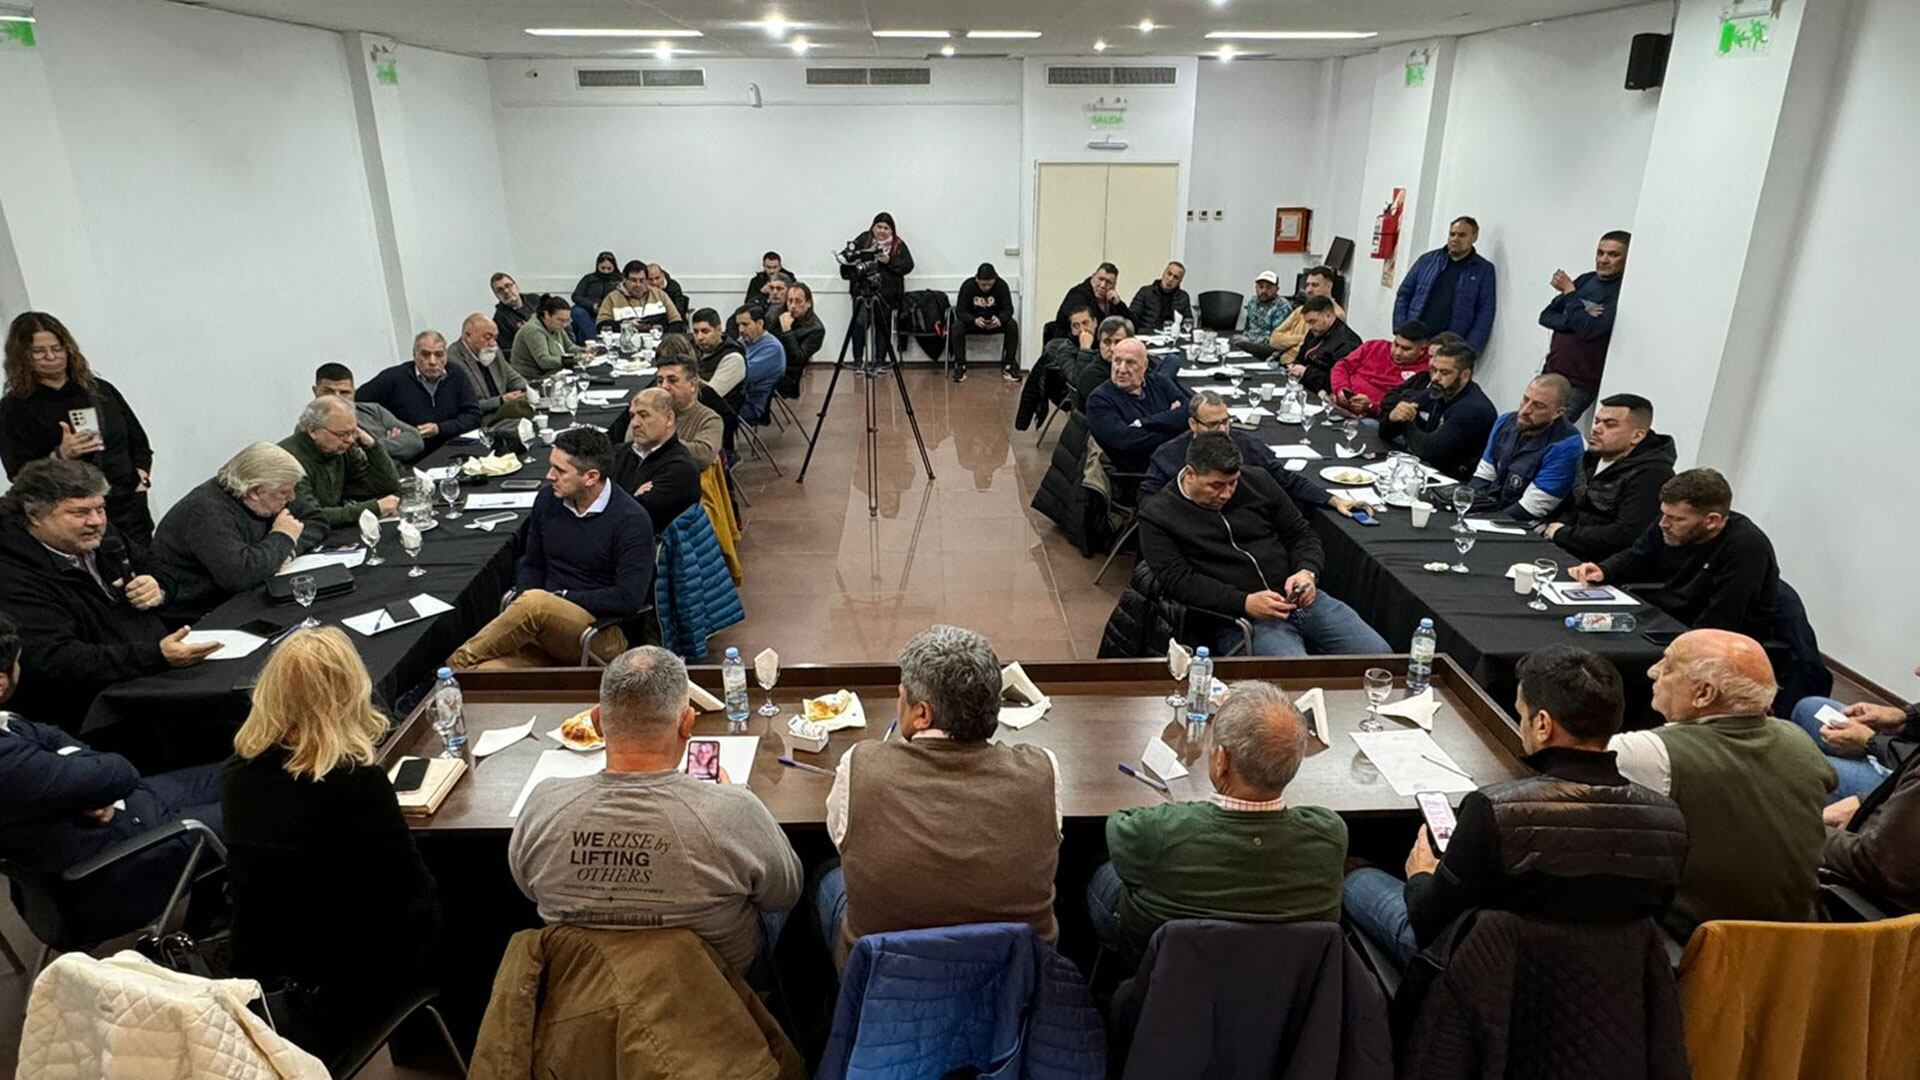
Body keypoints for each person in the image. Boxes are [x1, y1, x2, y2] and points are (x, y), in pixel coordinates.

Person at [1344, 646, 1688, 969]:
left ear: (1542, 724)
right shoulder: (1670, 820)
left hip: (1483, 972)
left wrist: (1420, 875)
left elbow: (1427, 920)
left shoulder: (1495, 810)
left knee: (1350, 869)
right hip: (1605, 983)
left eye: (1520, 714)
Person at [510, 646, 802, 975]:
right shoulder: (734, 810)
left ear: (597, 722)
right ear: (687, 723)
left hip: (584, 994)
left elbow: (527, 888)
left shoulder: (541, 806)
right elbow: (786, 894)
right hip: (714, 992)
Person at [222, 628, 442, 1060]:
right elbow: (410, 900)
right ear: (350, 693)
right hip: (349, 983)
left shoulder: (236, 773)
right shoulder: (356, 784)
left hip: (265, 974)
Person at [818, 625, 1063, 967]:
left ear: (922, 714)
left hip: (886, 984)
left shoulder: (859, 765)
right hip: (1014, 985)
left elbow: (843, 840)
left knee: (830, 880)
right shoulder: (1043, 770)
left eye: (901, 696)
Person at [0, 611, 226, 942]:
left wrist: (82, 785)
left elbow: (55, 737)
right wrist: (87, 780)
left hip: (129, 811)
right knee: (263, 803)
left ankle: (211, 913)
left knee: (239, 772)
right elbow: (118, 771)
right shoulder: (7, 760)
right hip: (111, 868)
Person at [1088, 681, 1346, 961]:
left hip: (1165, 979)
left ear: (1221, 760)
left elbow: (1117, 827)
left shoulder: (1159, 831)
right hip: (1283, 986)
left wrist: (1186, 813)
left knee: (1105, 872)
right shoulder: (1330, 834)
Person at [1608, 630, 1833, 937]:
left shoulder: (1651, 753)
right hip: (1799, 941)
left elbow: (1560, 757)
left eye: (1669, 665)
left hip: (1701, 943)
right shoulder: (1799, 739)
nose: (1653, 671)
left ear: (1704, 693)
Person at [0, 459, 218, 732]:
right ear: (34, 516)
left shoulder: (101, 535)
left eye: (101, 508)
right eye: (79, 512)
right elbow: (56, 659)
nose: (96, 521)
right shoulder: (12, 576)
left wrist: (158, 586)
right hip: (95, 710)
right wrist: (155, 655)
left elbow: (159, 567)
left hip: (150, 669)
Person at [1139, 434, 1389, 657]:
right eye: (1216, 485)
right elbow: (1180, 582)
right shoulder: (1158, 515)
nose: (1226, 493)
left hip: (1299, 598)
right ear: (1191, 474)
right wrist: (1244, 602)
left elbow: (1301, 533)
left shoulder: (1257, 481)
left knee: (1381, 657)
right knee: (1293, 681)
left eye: (1233, 482)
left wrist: (1306, 571)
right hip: (1239, 617)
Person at [448, 429, 654, 669]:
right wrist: (528, 602)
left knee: (536, 604)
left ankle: (450, 668)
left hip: (599, 633)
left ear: (591, 477)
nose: (549, 476)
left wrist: (560, 599)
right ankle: (451, 680)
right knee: (482, 673)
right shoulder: (548, 501)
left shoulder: (631, 520)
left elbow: (628, 599)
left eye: (560, 470)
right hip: (542, 627)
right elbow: (533, 563)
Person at [1569, 468, 1779, 642]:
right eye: (1664, 514)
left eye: (1677, 519)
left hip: (1711, 642)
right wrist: (1604, 570)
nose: (1663, 524)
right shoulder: (1668, 522)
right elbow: (1638, 555)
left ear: (1712, 521)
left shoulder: (1746, 547)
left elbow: (1722, 621)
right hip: (1669, 618)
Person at [1, 312, 156, 545]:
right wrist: (60, 456)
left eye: (57, 348)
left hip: (128, 502)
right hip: (72, 514)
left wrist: (141, 479)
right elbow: (18, 473)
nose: (51, 357)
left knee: (147, 570)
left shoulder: (100, 390)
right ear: (23, 357)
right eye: (39, 352)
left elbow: (139, 443)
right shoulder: (14, 408)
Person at [150, 443, 327, 620]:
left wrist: (288, 550)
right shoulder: (206, 512)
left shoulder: (270, 493)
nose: (291, 498)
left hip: (248, 595)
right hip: (199, 613)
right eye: (284, 492)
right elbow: (241, 575)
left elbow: (316, 520)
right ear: (254, 492)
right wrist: (283, 537)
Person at [1141, 390, 1356, 517]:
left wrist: (1332, 499)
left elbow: (1285, 479)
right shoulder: (1168, 455)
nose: (1223, 430)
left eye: (1226, 422)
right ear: (1193, 424)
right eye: (1213, 424)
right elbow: (1147, 501)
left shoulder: (1246, 444)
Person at [1818, 663, 1920, 910]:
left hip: (1880, 903)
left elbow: (1880, 866)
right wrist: (1905, 717)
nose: (1917, 670)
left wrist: (1799, 827)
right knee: (1812, 707)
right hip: (1887, 838)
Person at [1541, 393, 1676, 561]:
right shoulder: (1590, 457)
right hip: (1565, 548)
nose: (1597, 429)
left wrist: (1563, 534)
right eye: (1597, 421)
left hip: (1606, 565)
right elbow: (1573, 506)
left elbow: (1627, 534)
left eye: (1610, 425)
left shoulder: (1652, 474)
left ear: (1637, 436)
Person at [1791, 662, 1918, 805]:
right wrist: (1904, 717)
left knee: (1800, 766)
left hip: (1906, 784)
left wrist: (1870, 741)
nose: (1917, 671)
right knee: (1809, 708)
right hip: (1900, 749)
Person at [1540, 231, 1631, 421]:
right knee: (1526, 421)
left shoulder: (1623, 291)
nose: (1604, 260)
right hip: (1551, 370)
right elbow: (1546, 316)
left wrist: (1571, 295)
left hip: (1580, 383)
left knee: (1550, 431)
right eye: (1600, 253)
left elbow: (1589, 330)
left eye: (1613, 255)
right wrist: (1579, 316)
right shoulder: (1585, 280)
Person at [1377, 338, 1497, 481]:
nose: (1435, 378)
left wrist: (1407, 420)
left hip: (1454, 481)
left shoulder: (1473, 410)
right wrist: (1393, 417)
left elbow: (1428, 451)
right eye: (1433, 370)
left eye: (1444, 373)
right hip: (1427, 469)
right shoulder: (1438, 390)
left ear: (1465, 375)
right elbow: (1385, 432)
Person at [1470, 373, 1585, 521]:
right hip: (1492, 507)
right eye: (1525, 400)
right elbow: (1483, 476)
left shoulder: (1567, 445)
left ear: (1558, 412)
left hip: (1528, 526)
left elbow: (1532, 508)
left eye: (1538, 406)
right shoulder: (1505, 421)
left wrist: (1483, 521)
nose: (1525, 410)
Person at [278, 395, 400, 529]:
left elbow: (387, 486)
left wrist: (371, 446)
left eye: (353, 432)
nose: (350, 440)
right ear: (313, 431)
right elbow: (311, 515)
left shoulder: (341, 449)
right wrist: (373, 508)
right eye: (342, 434)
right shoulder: (289, 461)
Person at [356, 330, 483, 453]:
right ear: (414, 355)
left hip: (455, 448)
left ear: (446, 356)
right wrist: (381, 431)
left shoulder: (456, 374)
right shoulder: (393, 378)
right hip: (413, 455)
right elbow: (356, 405)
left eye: (438, 355)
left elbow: (473, 416)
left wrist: (439, 429)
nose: (432, 361)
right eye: (425, 354)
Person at [1394, 215, 1497, 353]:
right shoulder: (1427, 261)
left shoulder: (1483, 270)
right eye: (1452, 234)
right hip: (1415, 339)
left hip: (1450, 345)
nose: (1455, 239)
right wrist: (1401, 330)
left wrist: (1470, 348)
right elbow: (1404, 294)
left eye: (1462, 235)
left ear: (1474, 237)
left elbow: (1485, 311)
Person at [1084, 338, 1186, 474]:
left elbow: (1187, 411)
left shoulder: (1159, 381)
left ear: (1145, 365)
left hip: (1175, 461)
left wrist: (1143, 423)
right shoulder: (1099, 400)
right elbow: (1127, 441)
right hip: (1144, 476)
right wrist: (1173, 426)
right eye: (1117, 361)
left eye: (1130, 362)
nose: (1121, 369)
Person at [608, 388, 701, 532]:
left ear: (669, 419)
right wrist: (632, 497)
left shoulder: (680, 469)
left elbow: (633, 518)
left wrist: (616, 497)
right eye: (632, 416)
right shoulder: (619, 452)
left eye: (644, 415)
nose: (635, 423)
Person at [313, 363, 423, 464]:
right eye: (328, 392)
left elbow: (415, 441)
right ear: (315, 391)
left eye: (344, 392)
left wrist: (373, 445)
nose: (337, 398)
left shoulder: (373, 411)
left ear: (354, 393)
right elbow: (347, 462)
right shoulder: (309, 426)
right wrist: (393, 446)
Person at [841, 213, 913, 361]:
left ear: (892, 230)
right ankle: (858, 360)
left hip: (886, 295)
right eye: (878, 227)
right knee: (859, 326)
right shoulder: (864, 239)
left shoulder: (897, 245)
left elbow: (908, 265)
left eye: (886, 228)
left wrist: (889, 260)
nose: (881, 231)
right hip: (862, 292)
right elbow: (846, 256)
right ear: (873, 227)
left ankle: (880, 361)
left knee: (882, 329)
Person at [1329, 320, 1432, 419]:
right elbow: (1342, 366)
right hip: (1339, 403)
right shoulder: (1374, 346)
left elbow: (1400, 406)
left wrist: (1372, 406)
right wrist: (1341, 389)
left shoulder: (1425, 371)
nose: (1397, 352)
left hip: (1372, 418)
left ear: (1422, 350)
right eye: (1395, 344)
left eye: (1406, 349)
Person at [447, 313, 532, 425]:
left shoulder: (493, 351)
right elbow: (465, 404)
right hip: (479, 419)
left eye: (495, 337)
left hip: (502, 412)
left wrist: (523, 390)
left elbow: (514, 378)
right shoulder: (453, 360)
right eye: (487, 337)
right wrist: (501, 401)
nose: (492, 343)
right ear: (468, 336)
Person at [652, 349, 725, 471]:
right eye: (660, 381)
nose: (664, 386)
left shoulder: (709, 419)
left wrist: (655, 440)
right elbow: (631, 443)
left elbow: (703, 456)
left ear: (692, 385)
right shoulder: (650, 412)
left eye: (672, 380)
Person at [950, 262, 1020, 382]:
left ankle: (1009, 365)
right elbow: (960, 311)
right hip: (974, 323)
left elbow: (1008, 309)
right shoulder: (968, 286)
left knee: (1012, 325)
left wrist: (1001, 319)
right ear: (977, 279)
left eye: (990, 284)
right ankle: (960, 366)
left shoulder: (1001, 285)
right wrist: (973, 320)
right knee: (957, 327)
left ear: (995, 279)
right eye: (983, 284)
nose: (986, 287)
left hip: (995, 323)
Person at [1268, 266, 1345, 365]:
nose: (1308, 290)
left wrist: (1287, 340)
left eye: (1315, 285)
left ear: (1329, 286)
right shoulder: (1301, 310)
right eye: (1307, 285)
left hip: (1300, 368)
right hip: (1281, 361)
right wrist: (1302, 338)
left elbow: (1312, 349)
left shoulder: (1336, 315)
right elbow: (1274, 339)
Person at [1286, 295, 1361, 393]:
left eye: (1312, 321)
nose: (1309, 327)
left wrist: (1306, 372)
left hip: (1325, 393)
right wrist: (1294, 367)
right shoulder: (1316, 331)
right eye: (1307, 322)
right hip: (1304, 385)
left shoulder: (1347, 343)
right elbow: (1301, 358)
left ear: (1328, 316)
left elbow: (1337, 382)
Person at [510, 294, 585, 383]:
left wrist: (585, 351)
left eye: (567, 321)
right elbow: (544, 361)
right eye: (560, 320)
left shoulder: (555, 326)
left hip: (553, 374)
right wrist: (573, 360)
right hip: (534, 380)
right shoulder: (533, 330)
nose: (564, 325)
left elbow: (569, 347)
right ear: (547, 315)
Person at [733, 304, 786, 421]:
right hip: (738, 398)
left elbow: (741, 377)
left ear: (760, 323)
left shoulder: (772, 349)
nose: (741, 330)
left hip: (750, 405)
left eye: (745, 324)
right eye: (738, 325)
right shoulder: (744, 341)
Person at [598, 260, 684, 330]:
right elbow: (601, 326)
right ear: (625, 279)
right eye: (633, 280)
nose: (638, 285)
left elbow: (676, 320)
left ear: (647, 280)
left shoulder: (660, 295)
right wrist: (626, 324)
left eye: (641, 280)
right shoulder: (612, 298)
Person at [774, 281, 825, 398]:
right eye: (790, 301)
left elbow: (797, 359)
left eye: (798, 301)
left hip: (786, 375)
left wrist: (787, 331)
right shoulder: (781, 314)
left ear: (808, 304)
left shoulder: (816, 329)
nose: (792, 306)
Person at [692, 307, 748, 408]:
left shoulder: (733, 358)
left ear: (719, 330)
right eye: (696, 332)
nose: (699, 337)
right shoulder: (696, 349)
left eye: (705, 331)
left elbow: (709, 397)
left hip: (718, 416)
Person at [1230, 270, 1294, 359]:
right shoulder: (1252, 302)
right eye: (1261, 287)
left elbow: (1276, 339)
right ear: (1256, 287)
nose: (1263, 291)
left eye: (1269, 288)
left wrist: (1250, 340)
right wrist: (1245, 336)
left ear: (1277, 289)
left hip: (1271, 348)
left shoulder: (1282, 306)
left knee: (1237, 344)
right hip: (1251, 342)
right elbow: (1248, 327)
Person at [1055, 262, 1129, 332]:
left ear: (1114, 285)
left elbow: (1131, 326)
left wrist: (1119, 304)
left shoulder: (1112, 299)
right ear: (1093, 277)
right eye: (1100, 279)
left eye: (1108, 282)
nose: (1102, 285)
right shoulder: (1078, 295)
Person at [570, 250, 622, 341]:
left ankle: (593, 342)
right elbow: (576, 296)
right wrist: (592, 305)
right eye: (603, 268)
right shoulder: (589, 278)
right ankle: (594, 341)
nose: (606, 272)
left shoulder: (619, 280)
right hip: (588, 311)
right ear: (598, 266)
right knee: (577, 311)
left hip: (607, 313)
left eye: (609, 269)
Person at [1129, 261, 1193, 331]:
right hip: (1148, 334)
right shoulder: (1146, 292)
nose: (1170, 279)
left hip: (1172, 336)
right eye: (1169, 274)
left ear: (1180, 282)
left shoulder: (1183, 297)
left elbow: (1188, 321)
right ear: (1163, 274)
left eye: (1176, 277)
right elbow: (1132, 316)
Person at [490, 271, 537, 352]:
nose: (506, 291)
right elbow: (509, 351)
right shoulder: (499, 320)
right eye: (500, 290)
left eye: (508, 286)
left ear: (516, 286)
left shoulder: (535, 300)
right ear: (496, 295)